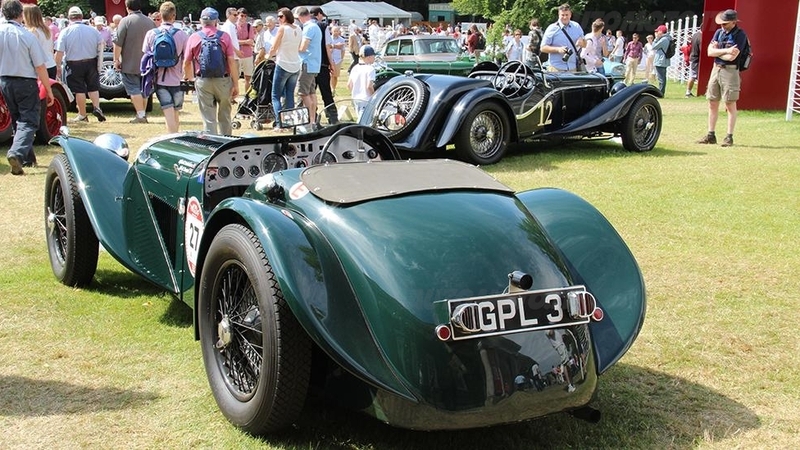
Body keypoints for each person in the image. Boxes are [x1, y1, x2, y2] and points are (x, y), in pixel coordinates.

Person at [1, 0, 54, 174]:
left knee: (18, 119)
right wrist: (49, 89)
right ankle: (17, 153)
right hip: (25, 81)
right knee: (29, 120)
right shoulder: (26, 35)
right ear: (20, 14)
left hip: (5, 81)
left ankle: (27, 159)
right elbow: (40, 66)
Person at [182, 7, 237, 135]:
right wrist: (235, 84)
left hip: (203, 80)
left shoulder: (194, 37)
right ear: (216, 21)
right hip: (223, 80)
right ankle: (227, 143)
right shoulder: (225, 37)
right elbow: (231, 61)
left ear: (201, 21)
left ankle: (212, 146)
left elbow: (186, 62)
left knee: (208, 118)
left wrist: (190, 78)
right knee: (225, 116)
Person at [697, 9, 748, 147]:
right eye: (721, 23)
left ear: (733, 22)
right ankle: (710, 134)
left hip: (730, 71)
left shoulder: (740, 35)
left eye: (725, 24)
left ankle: (729, 136)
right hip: (716, 69)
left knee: (730, 104)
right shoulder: (719, 33)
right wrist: (725, 51)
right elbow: (709, 52)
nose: (722, 26)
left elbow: (732, 57)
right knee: (712, 102)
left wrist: (717, 52)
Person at [142, 1, 188, 133]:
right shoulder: (182, 34)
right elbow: (186, 58)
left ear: (160, 16)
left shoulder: (152, 33)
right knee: (175, 112)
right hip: (178, 79)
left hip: (160, 79)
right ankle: (175, 137)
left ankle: (172, 139)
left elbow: (146, 54)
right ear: (174, 16)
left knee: (168, 113)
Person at [54, 6, 105, 123]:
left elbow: (60, 51)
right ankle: (97, 108)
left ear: (69, 18)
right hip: (91, 61)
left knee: (79, 90)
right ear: (81, 17)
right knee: (93, 87)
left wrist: (57, 66)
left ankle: (82, 114)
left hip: (74, 63)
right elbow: (101, 46)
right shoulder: (93, 30)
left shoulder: (65, 32)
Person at [113, 0, 155, 123]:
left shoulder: (125, 21)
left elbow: (118, 43)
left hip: (129, 62)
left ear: (127, 7)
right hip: (147, 62)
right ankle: (142, 113)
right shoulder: (150, 22)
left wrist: (116, 60)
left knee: (134, 89)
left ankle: (141, 115)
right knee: (144, 89)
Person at [267, 7, 301, 130]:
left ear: (286, 17)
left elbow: (273, 48)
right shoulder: (298, 28)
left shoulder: (282, 29)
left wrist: (267, 57)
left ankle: (279, 123)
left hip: (283, 64)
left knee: (275, 95)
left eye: (280, 16)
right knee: (290, 95)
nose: (279, 19)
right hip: (295, 64)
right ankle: (290, 122)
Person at [310, 6, 337, 125]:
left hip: (309, 65)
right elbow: (327, 46)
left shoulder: (304, 26)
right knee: (326, 92)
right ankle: (332, 117)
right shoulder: (323, 26)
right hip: (322, 64)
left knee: (309, 93)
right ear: (319, 14)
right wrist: (332, 64)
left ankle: (312, 117)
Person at [296, 6, 322, 128]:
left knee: (303, 93)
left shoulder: (309, 28)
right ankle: (312, 121)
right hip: (314, 64)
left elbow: (303, 47)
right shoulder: (315, 26)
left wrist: (292, 47)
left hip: (307, 63)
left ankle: (309, 120)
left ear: (301, 16)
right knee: (311, 93)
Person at [541, 3, 585, 72]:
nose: (565, 17)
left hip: (572, 68)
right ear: (559, 15)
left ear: (570, 15)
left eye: (567, 15)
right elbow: (543, 48)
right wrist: (558, 49)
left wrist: (582, 42)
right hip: (556, 68)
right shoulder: (552, 28)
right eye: (562, 15)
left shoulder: (576, 26)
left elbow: (585, 44)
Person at [23, 4, 57, 79]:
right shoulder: (47, 30)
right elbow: (51, 49)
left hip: (40, 67)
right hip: (51, 64)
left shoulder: (32, 32)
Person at [348, 44, 376, 119]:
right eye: (373, 56)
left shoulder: (355, 68)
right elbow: (369, 86)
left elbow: (349, 85)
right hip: (366, 99)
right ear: (369, 57)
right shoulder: (370, 69)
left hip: (356, 99)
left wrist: (355, 92)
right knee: (364, 122)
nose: (374, 58)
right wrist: (374, 96)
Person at [235, 8, 255, 92]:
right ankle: (234, 95)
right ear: (238, 15)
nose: (243, 18)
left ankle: (247, 95)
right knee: (235, 77)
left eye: (245, 16)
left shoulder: (249, 26)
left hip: (247, 54)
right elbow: (233, 41)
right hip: (236, 54)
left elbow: (251, 41)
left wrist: (240, 42)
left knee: (248, 77)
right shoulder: (234, 26)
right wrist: (245, 41)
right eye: (242, 15)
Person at [651, 25, 671, 95]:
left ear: (661, 32)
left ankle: (660, 93)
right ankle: (661, 92)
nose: (656, 32)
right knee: (662, 78)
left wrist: (656, 38)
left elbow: (654, 47)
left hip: (661, 61)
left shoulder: (664, 39)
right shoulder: (668, 38)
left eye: (658, 31)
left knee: (661, 78)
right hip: (664, 60)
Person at [329, 25, 345, 92]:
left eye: (337, 31)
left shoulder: (342, 40)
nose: (335, 32)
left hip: (337, 59)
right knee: (329, 75)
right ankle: (329, 88)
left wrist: (341, 59)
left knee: (335, 76)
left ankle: (333, 88)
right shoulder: (329, 39)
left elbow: (342, 50)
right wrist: (335, 46)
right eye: (334, 31)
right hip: (329, 59)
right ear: (331, 31)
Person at [686, 30, 702, 97]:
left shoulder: (695, 35)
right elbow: (701, 49)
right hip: (696, 58)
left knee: (693, 75)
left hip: (693, 57)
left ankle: (688, 92)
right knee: (693, 76)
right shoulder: (700, 37)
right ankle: (688, 92)